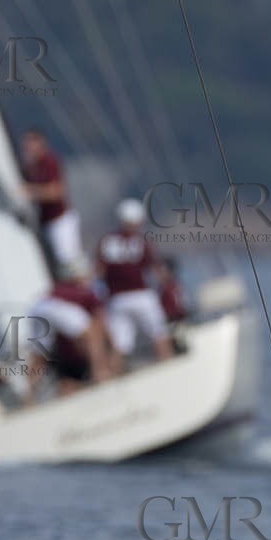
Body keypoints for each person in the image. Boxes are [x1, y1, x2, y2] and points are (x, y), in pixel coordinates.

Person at [97, 198, 174, 369]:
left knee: (119, 346)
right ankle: (169, 367)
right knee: (160, 335)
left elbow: (99, 271)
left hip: (116, 300)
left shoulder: (106, 242)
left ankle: (110, 379)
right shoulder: (142, 242)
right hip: (142, 296)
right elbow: (157, 271)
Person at [24, 260, 114, 399]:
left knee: (39, 354)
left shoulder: (60, 287)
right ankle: (100, 373)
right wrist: (110, 348)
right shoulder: (85, 290)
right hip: (53, 307)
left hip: (38, 307)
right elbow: (101, 322)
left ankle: (29, 395)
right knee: (92, 335)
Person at [21, 128, 82, 267]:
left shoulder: (49, 162)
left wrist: (30, 191)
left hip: (60, 220)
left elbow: (57, 192)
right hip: (46, 222)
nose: (26, 147)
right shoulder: (31, 166)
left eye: (30, 142)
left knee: (69, 262)